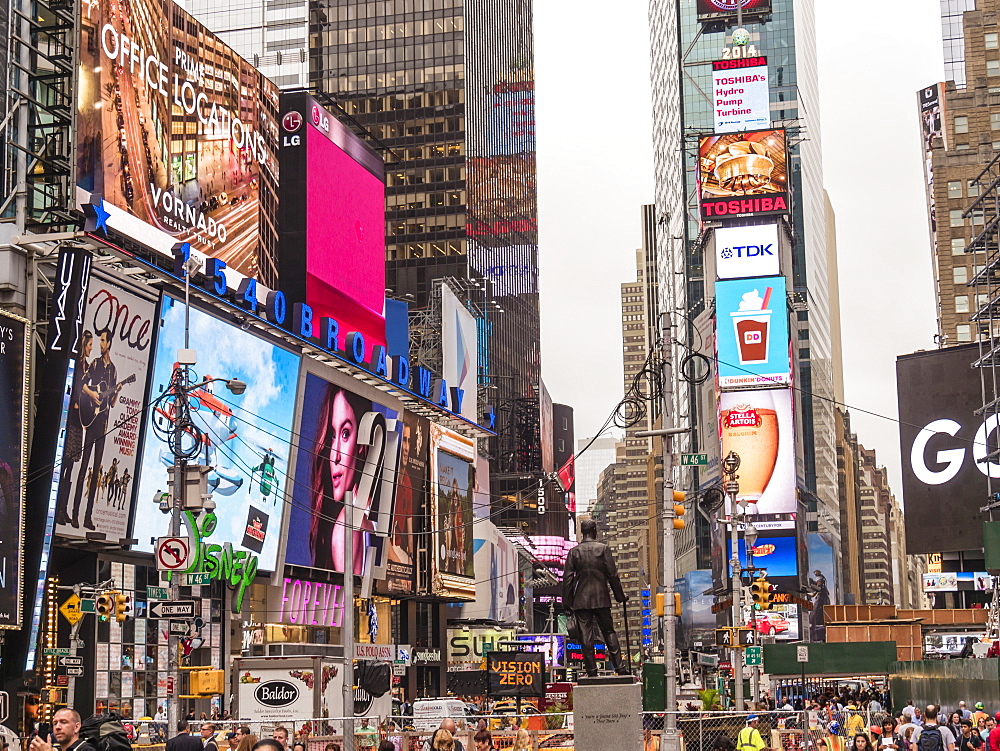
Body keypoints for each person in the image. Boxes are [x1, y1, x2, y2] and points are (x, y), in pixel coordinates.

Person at [308, 384, 374, 574]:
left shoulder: (358, 519)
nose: (334, 455)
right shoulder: (346, 526)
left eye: (345, 434)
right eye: (331, 437)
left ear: (362, 443)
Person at [562, 518, 629, 676]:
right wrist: (620, 597)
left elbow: (567, 580)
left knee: (586, 636)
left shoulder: (574, 552)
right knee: (609, 632)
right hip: (601, 598)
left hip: (581, 600)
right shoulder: (603, 549)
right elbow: (613, 575)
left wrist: (567, 603)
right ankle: (619, 667)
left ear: (583, 532)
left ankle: (591, 670)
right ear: (594, 531)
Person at [55, 330, 92, 526]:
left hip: (78, 422)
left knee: (70, 467)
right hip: (71, 422)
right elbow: (77, 390)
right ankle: (59, 510)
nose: (91, 348)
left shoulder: (85, 366)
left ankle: (63, 510)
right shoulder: (78, 366)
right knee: (65, 467)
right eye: (89, 345)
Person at [29, 708, 93, 751]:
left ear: (76, 727)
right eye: (55, 723)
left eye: (63, 722)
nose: (57, 727)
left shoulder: (86, 749)